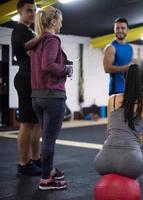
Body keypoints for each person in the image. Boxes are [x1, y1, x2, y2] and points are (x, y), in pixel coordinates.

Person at [94, 64, 143, 199]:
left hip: (102, 162)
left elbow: (109, 131)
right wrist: (142, 133)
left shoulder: (112, 99)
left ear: (125, 80)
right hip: (130, 165)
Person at [30, 6, 72, 190]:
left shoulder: (36, 42)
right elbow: (48, 65)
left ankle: (48, 171)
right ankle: (46, 179)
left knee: (46, 138)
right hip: (52, 97)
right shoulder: (52, 40)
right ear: (54, 21)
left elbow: (42, 66)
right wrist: (66, 69)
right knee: (48, 140)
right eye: (60, 20)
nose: (62, 23)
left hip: (37, 97)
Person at [11, 0, 41, 176]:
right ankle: (23, 164)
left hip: (33, 79)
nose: (32, 14)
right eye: (29, 11)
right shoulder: (21, 30)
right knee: (27, 123)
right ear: (19, 11)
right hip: (25, 79)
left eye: (34, 11)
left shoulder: (29, 31)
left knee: (36, 123)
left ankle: (35, 159)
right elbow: (35, 56)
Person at [103, 17, 136, 95]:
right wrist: (127, 67)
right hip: (116, 91)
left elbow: (129, 66)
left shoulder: (130, 48)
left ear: (127, 29)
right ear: (114, 30)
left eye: (122, 28)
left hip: (129, 89)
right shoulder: (111, 47)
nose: (120, 30)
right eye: (117, 28)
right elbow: (106, 69)